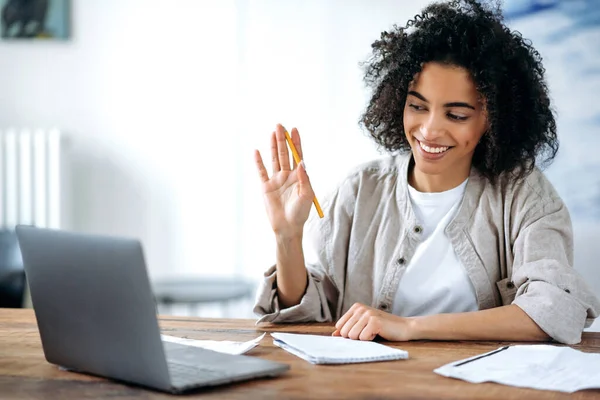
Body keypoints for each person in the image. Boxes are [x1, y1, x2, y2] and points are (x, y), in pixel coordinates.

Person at [252, 0, 600, 345]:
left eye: (457, 115)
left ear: (493, 120)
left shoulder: (524, 194)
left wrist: (410, 327)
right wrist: (287, 237)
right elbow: (310, 311)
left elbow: (553, 310)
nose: (430, 130)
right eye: (417, 106)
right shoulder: (360, 189)